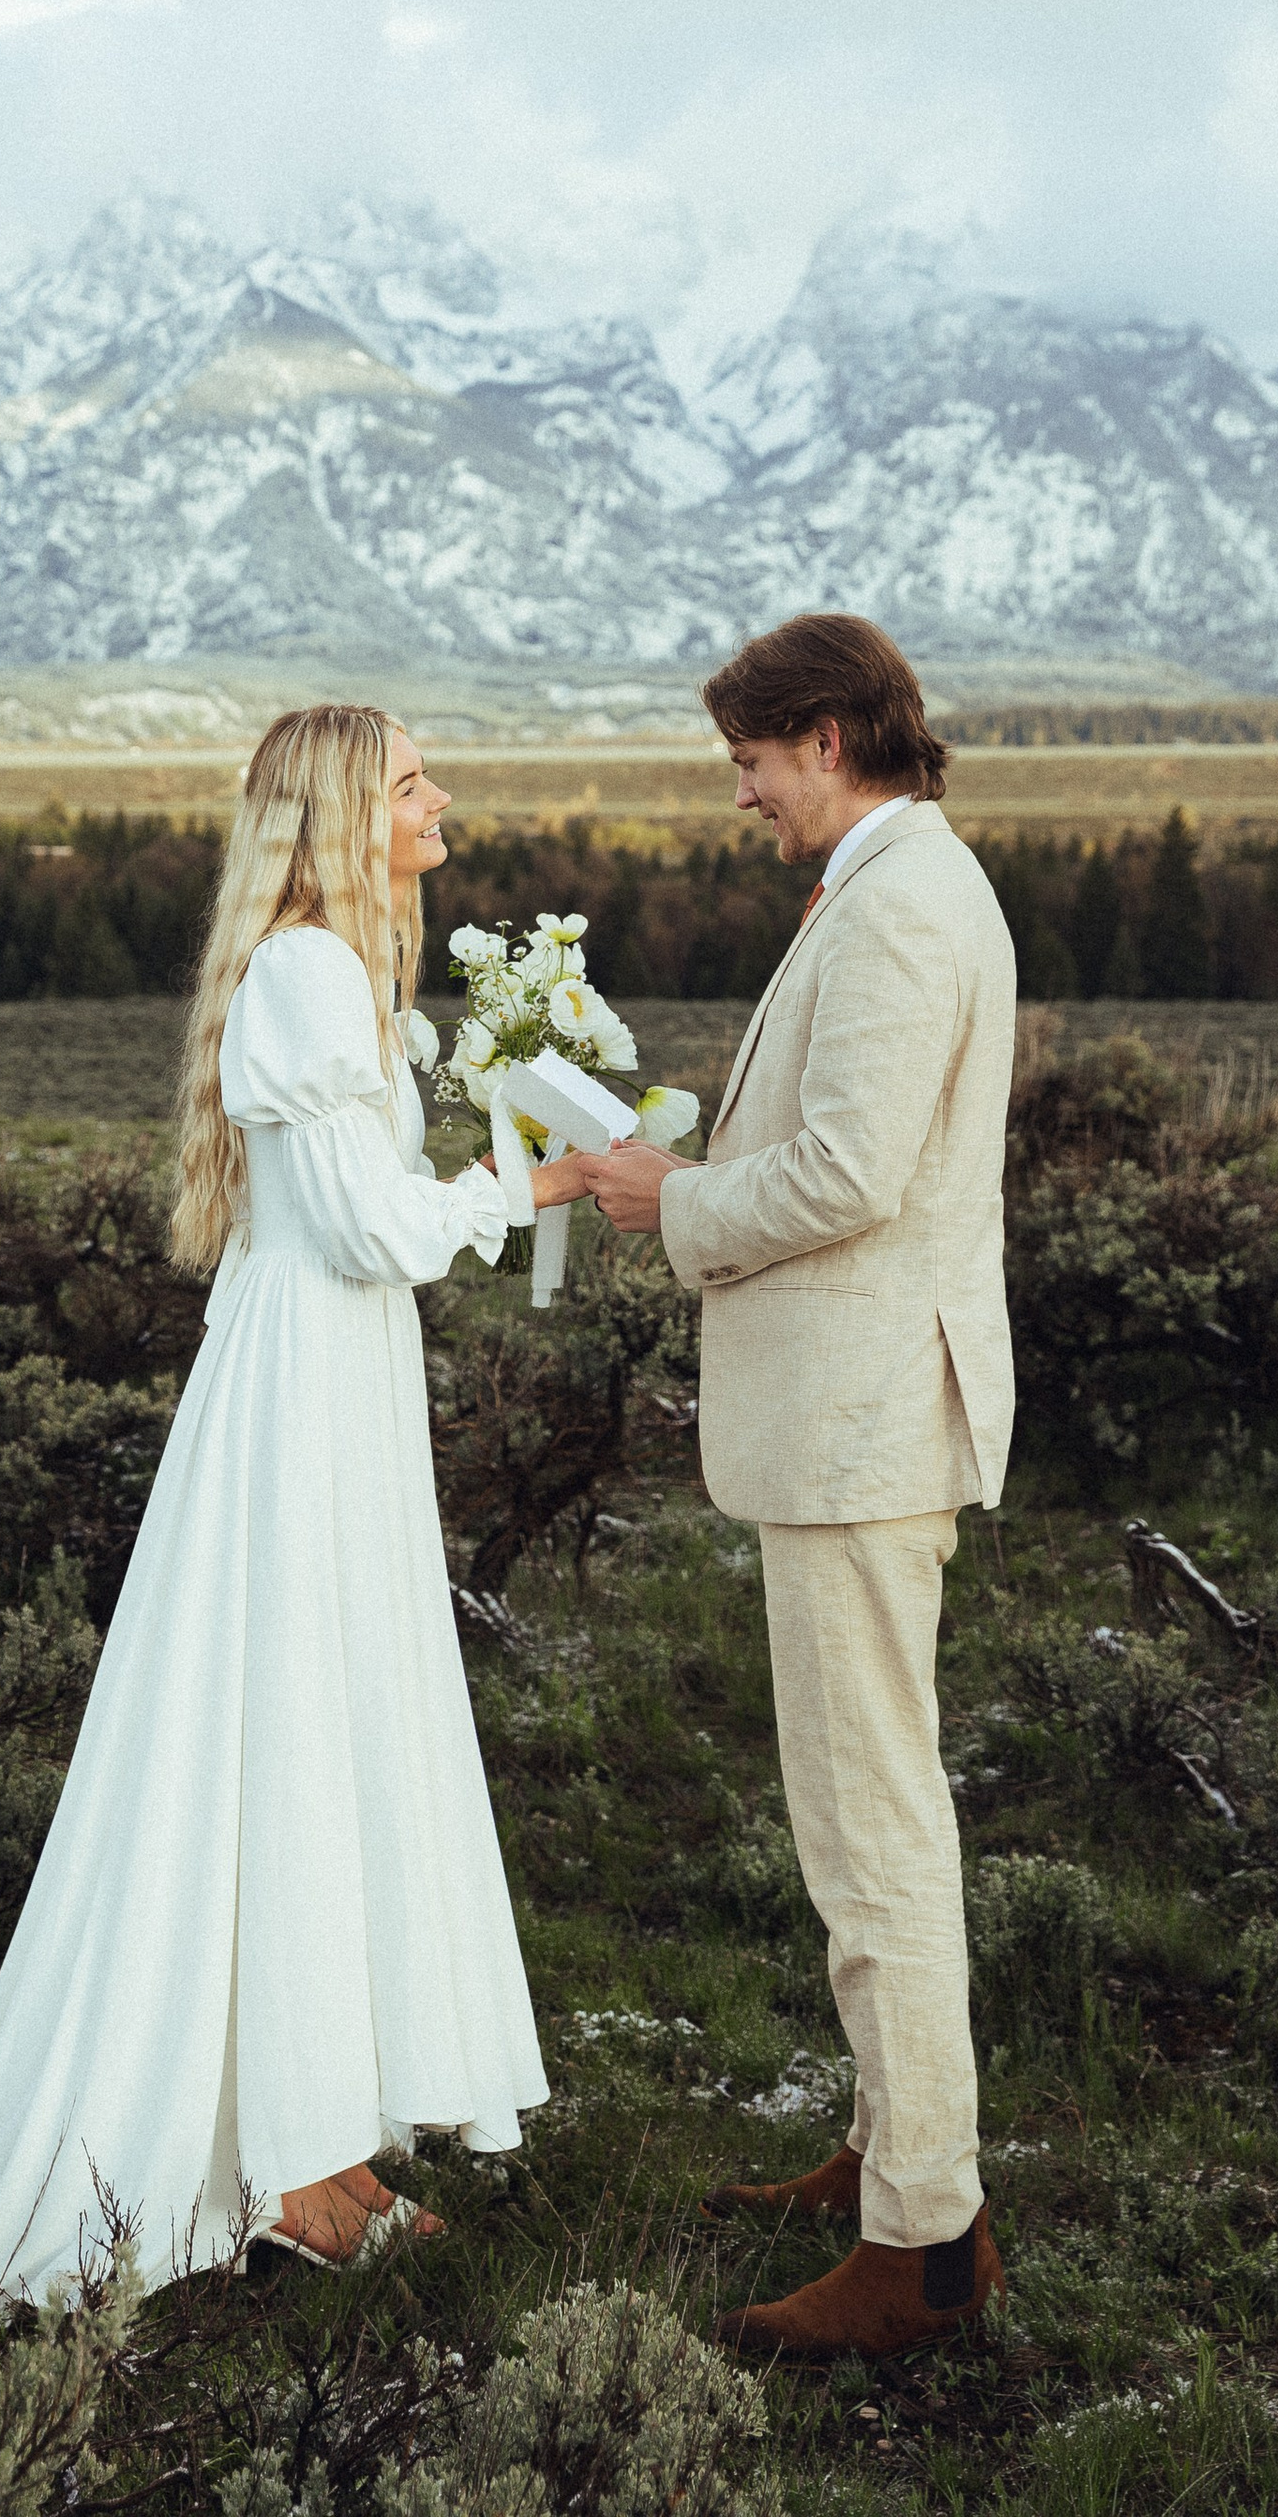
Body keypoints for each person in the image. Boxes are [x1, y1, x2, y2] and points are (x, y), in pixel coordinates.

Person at [0, 703, 565, 2303]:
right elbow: (364, 1229)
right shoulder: (308, 974)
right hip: (306, 1392)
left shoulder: (342, 975)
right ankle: (284, 2151)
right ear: (352, 811)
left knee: (325, 1723)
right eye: (414, 782)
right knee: (281, 1731)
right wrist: (529, 1185)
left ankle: (317, 2120)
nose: (444, 802)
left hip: (332, 1384)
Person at [565, 613, 1016, 2362]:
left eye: (748, 760)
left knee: (874, 1831)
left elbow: (846, 1172)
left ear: (825, 736)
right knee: (862, 1819)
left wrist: (664, 1205)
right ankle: (900, 2154)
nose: (739, 793)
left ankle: (924, 2244)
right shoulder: (898, 883)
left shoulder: (903, 904)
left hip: (860, 1435)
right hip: (856, 1425)